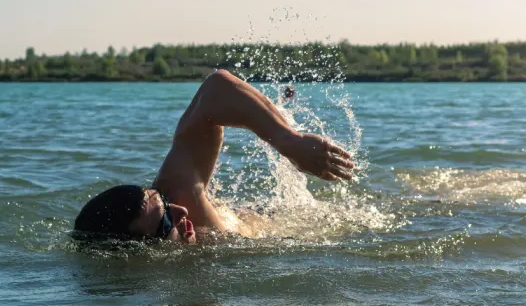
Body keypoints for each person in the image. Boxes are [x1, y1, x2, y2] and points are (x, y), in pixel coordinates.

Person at [73, 69, 354, 244]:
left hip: (295, 221)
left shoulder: (180, 193)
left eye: (163, 202)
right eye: (165, 223)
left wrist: (289, 142)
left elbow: (216, 88)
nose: (180, 211)